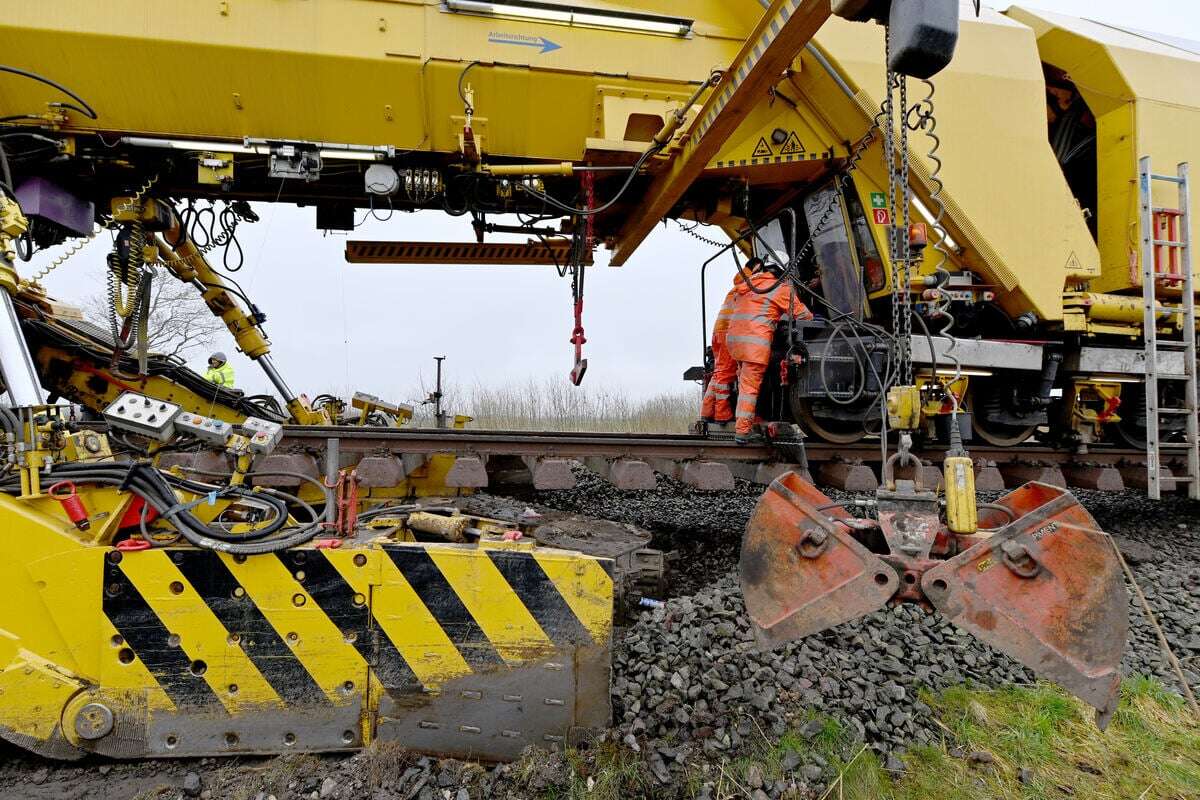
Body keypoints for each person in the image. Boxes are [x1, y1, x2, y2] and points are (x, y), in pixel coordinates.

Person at [726, 257, 812, 443]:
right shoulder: (780, 289)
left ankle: (746, 423)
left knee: (744, 385)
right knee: (750, 388)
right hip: (753, 344)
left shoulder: (749, 285)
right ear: (782, 272)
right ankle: (742, 432)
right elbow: (803, 315)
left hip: (735, 343)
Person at [699, 272, 743, 425]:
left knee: (719, 373)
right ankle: (722, 414)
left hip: (719, 333)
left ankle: (707, 411)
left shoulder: (736, 288)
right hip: (728, 334)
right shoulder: (748, 289)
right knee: (725, 374)